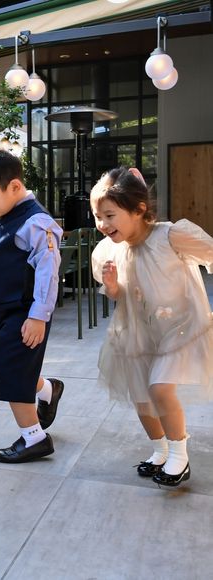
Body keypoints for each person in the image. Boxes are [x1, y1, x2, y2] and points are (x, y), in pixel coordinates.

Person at [90, 166, 213, 487]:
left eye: (110, 215)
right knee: (142, 397)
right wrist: (112, 285)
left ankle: (179, 456)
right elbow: (118, 295)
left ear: (139, 209)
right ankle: (160, 451)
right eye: (98, 216)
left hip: (179, 328)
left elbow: (210, 252)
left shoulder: (170, 236)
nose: (102, 224)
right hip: (138, 332)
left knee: (160, 388)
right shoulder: (110, 250)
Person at [0, 148, 64, 463]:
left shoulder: (36, 222)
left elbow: (48, 273)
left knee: (12, 372)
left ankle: (35, 438)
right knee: (4, 365)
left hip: (24, 312)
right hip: (0, 310)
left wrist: (38, 316)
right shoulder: (4, 214)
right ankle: (47, 390)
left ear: (14, 187)